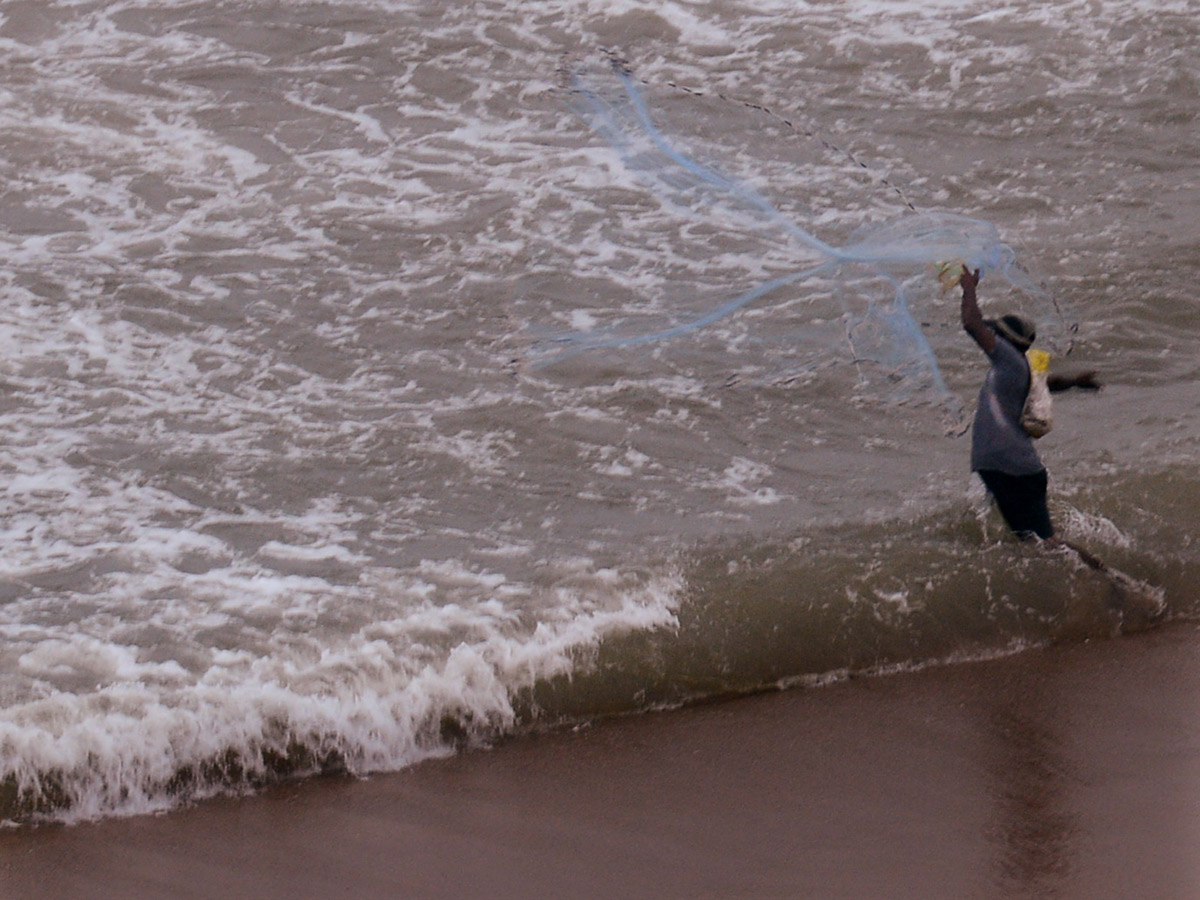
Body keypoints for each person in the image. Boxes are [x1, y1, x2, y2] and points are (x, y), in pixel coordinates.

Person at [958, 267, 1102, 565]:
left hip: (1010, 467)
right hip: (1014, 467)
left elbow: (971, 323)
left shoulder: (1008, 359)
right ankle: (1084, 579)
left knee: (1046, 543)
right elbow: (1048, 384)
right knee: (1037, 541)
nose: (990, 336)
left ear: (1005, 340)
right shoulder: (1017, 369)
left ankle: (1115, 581)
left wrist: (968, 288)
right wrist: (1076, 381)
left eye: (995, 333)